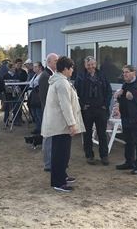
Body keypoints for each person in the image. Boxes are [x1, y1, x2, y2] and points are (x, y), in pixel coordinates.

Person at [41, 56, 84, 192]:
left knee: (63, 153)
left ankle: (62, 175)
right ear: (65, 68)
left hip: (61, 124)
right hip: (60, 125)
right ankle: (58, 182)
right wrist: (72, 124)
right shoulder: (61, 83)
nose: (72, 71)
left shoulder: (61, 81)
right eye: (71, 68)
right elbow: (65, 105)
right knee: (60, 153)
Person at [74, 56, 112, 166]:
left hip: (101, 109)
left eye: (92, 64)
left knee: (102, 134)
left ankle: (104, 156)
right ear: (85, 65)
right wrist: (82, 105)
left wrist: (106, 104)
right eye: (88, 65)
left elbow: (108, 91)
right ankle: (89, 156)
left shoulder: (102, 75)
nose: (91, 67)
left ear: (96, 64)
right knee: (87, 134)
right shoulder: (80, 77)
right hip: (87, 110)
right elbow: (75, 93)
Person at [115, 65, 137, 174]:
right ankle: (129, 162)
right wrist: (118, 96)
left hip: (136, 117)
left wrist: (133, 98)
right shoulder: (125, 85)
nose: (124, 74)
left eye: (127, 72)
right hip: (125, 116)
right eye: (123, 72)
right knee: (128, 141)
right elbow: (123, 100)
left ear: (134, 73)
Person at [39, 53, 58, 172]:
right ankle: (48, 164)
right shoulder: (46, 76)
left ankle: (51, 161)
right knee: (48, 138)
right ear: (49, 62)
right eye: (55, 61)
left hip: (52, 112)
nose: (57, 63)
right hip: (49, 112)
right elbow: (45, 97)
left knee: (52, 139)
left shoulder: (52, 74)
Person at [27, 61, 44, 135]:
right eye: (33, 67)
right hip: (32, 97)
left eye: (36, 67)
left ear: (40, 67)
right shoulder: (35, 75)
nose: (34, 68)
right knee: (34, 113)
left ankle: (41, 130)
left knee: (39, 113)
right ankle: (38, 128)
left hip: (38, 98)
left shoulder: (42, 75)